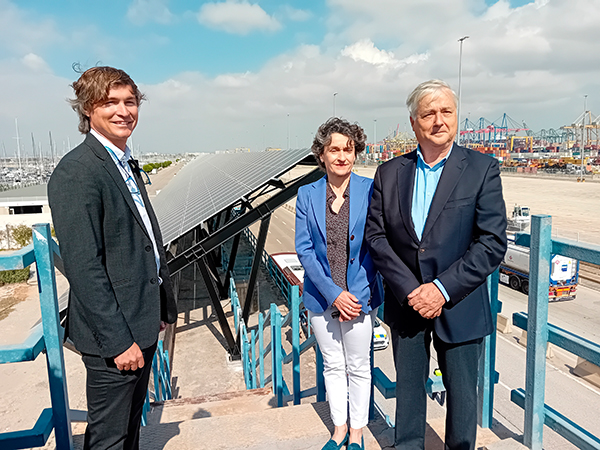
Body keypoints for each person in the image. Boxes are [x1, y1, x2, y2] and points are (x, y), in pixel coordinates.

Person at [365, 80, 507, 450]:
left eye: (447, 111)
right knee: (409, 394)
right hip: (406, 303)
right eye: (429, 113)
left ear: (456, 118)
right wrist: (411, 290)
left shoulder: (482, 169)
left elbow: (491, 242)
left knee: (462, 399)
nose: (439, 120)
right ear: (414, 122)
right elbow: (377, 239)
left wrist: (441, 289)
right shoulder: (390, 172)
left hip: (458, 304)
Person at [48, 66, 177, 450]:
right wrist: (119, 341)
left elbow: (139, 244)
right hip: (115, 338)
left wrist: (156, 311)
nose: (124, 111)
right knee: (108, 439)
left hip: (140, 322)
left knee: (128, 433)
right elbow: (84, 266)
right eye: (110, 102)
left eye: (130, 101)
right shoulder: (77, 171)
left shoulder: (122, 162)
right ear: (88, 109)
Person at [295, 117, 383, 450]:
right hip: (321, 297)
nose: (342, 156)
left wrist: (354, 295)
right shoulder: (307, 194)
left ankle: (358, 431)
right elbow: (304, 249)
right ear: (322, 155)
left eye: (348, 149)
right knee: (332, 364)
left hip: (360, 295)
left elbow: (378, 243)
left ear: (356, 152)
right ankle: (339, 429)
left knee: (359, 365)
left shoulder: (371, 189)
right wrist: (334, 294)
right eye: (334, 149)